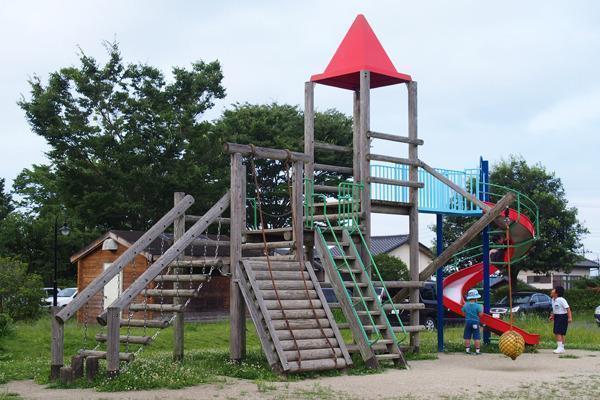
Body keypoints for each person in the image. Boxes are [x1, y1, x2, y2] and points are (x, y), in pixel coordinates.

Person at [549, 285, 572, 354]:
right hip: (557, 316)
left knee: (558, 332)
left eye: (553, 289)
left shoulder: (561, 299)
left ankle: (559, 348)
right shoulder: (553, 299)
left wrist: (570, 318)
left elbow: (568, 308)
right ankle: (562, 348)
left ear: (556, 292)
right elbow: (555, 309)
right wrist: (552, 316)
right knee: (560, 332)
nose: (551, 290)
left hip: (562, 316)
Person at [462, 289, 484, 355]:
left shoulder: (465, 305)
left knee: (467, 337)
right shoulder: (478, 306)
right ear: (476, 298)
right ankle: (477, 351)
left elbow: (463, 313)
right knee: (476, 336)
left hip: (468, 322)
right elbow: (480, 315)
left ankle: (467, 350)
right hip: (475, 322)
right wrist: (482, 310)